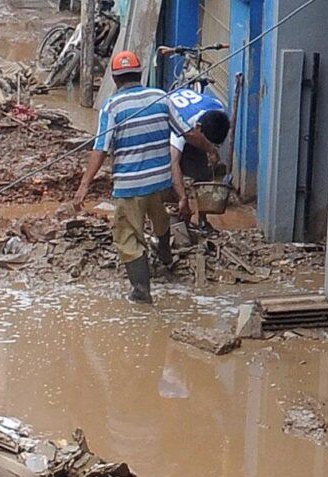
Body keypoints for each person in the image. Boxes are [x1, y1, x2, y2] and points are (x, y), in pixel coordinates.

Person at [70, 49, 177, 302]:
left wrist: (84, 185)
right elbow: (185, 132)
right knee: (159, 215)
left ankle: (141, 292)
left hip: (130, 186)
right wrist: (209, 149)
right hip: (161, 181)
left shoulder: (112, 106)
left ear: (116, 80)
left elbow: (101, 149)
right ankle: (164, 254)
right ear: (140, 74)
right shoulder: (161, 97)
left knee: (128, 236)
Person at [167, 84, 233, 231]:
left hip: (191, 115)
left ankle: (203, 220)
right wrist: (183, 197)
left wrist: (212, 150)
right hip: (165, 123)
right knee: (168, 178)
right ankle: (175, 213)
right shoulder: (181, 124)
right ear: (197, 129)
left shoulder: (218, 108)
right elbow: (174, 163)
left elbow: (206, 139)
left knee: (202, 173)